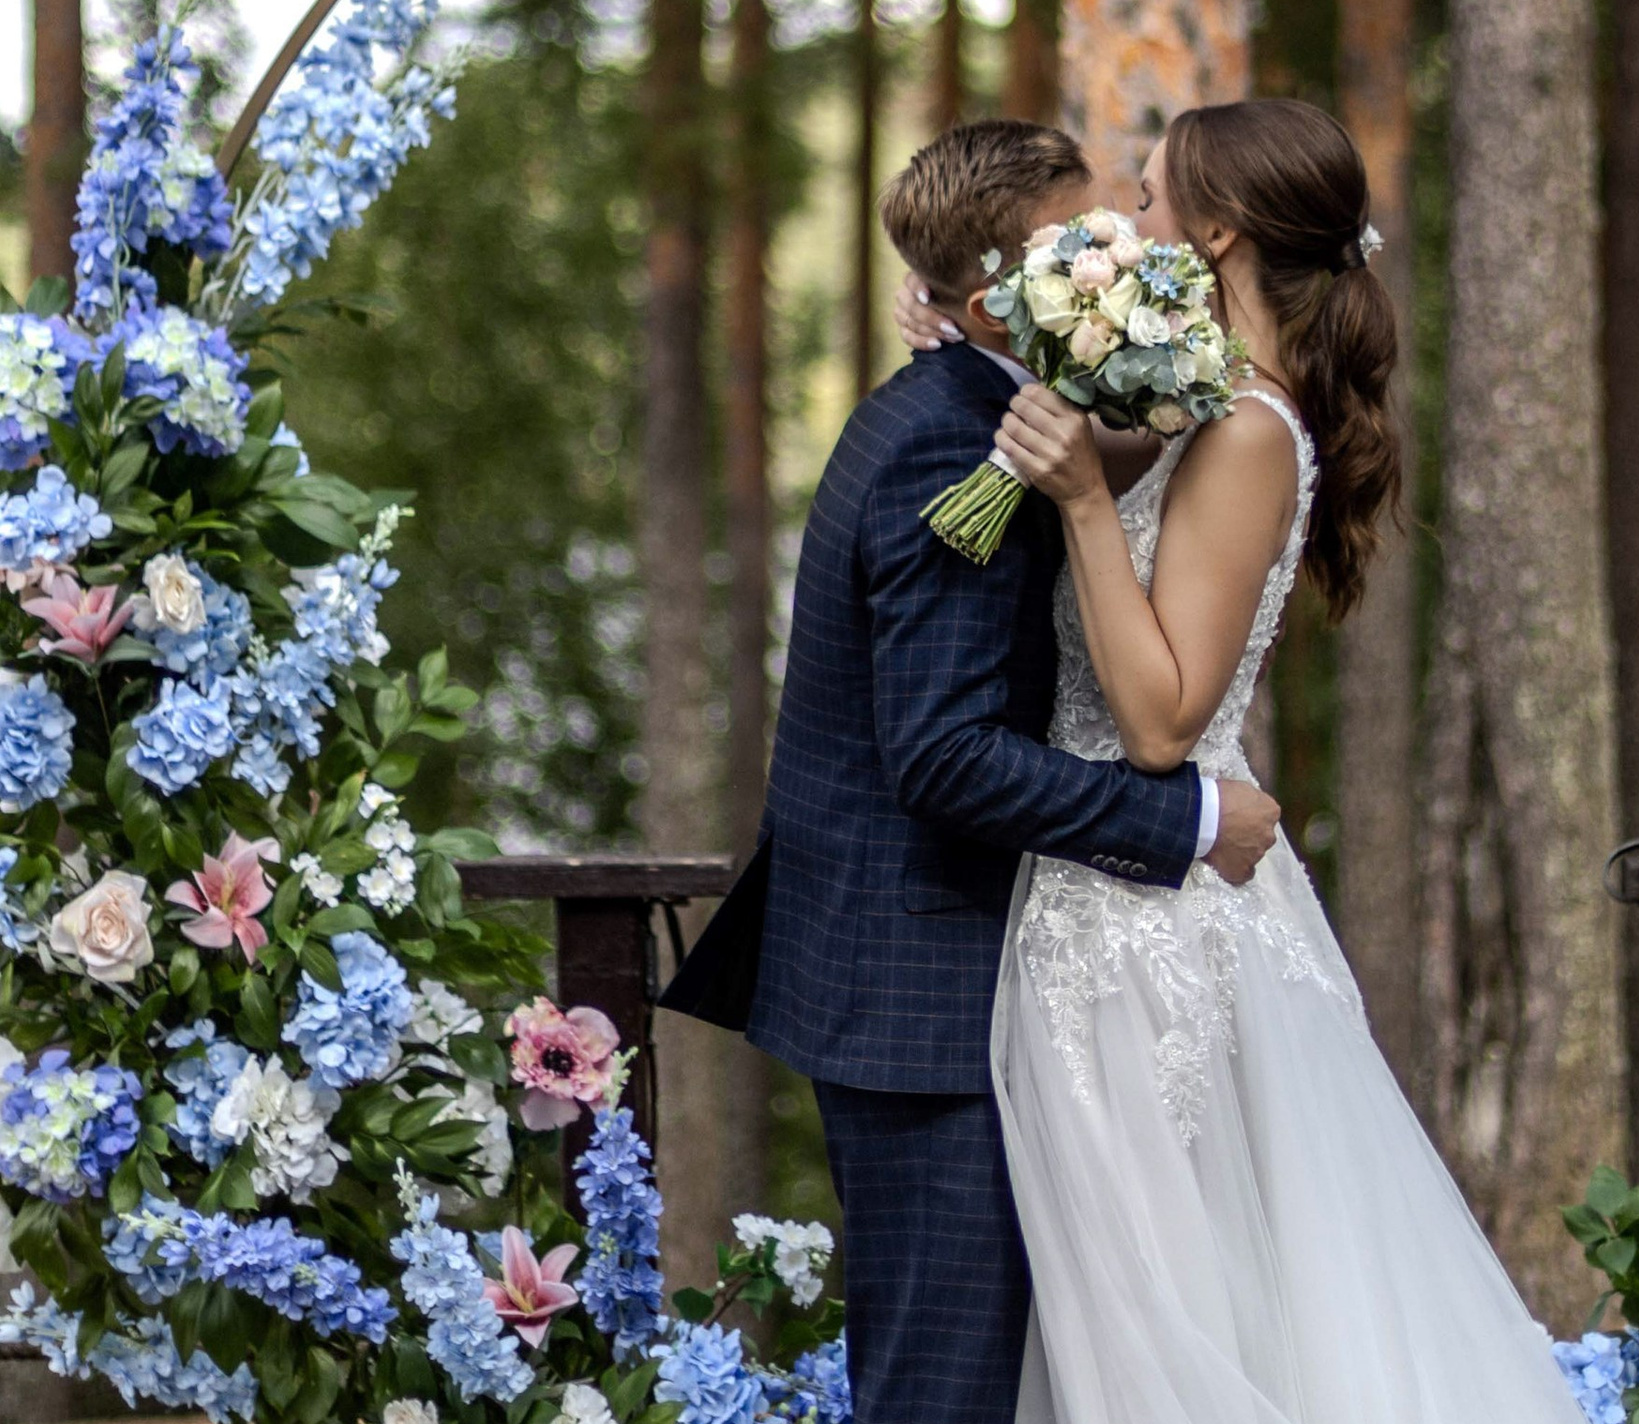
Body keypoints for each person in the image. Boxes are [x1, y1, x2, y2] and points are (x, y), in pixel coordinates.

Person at [661, 117, 1283, 1424]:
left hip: (954, 982)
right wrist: (1180, 819)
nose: (1119, 248)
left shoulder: (994, 402)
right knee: (943, 1389)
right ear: (1017, 286)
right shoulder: (958, 445)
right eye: (1085, 235)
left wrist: (976, 326)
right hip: (923, 1002)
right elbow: (944, 760)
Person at [972, 98, 1579, 1424]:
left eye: (1149, 196)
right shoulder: (1200, 406)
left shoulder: (1250, 431)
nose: (1128, 223)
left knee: (1170, 1323)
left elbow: (1160, 722)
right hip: (1096, 903)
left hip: (1149, 929)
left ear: (1222, 227)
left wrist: (1080, 497)